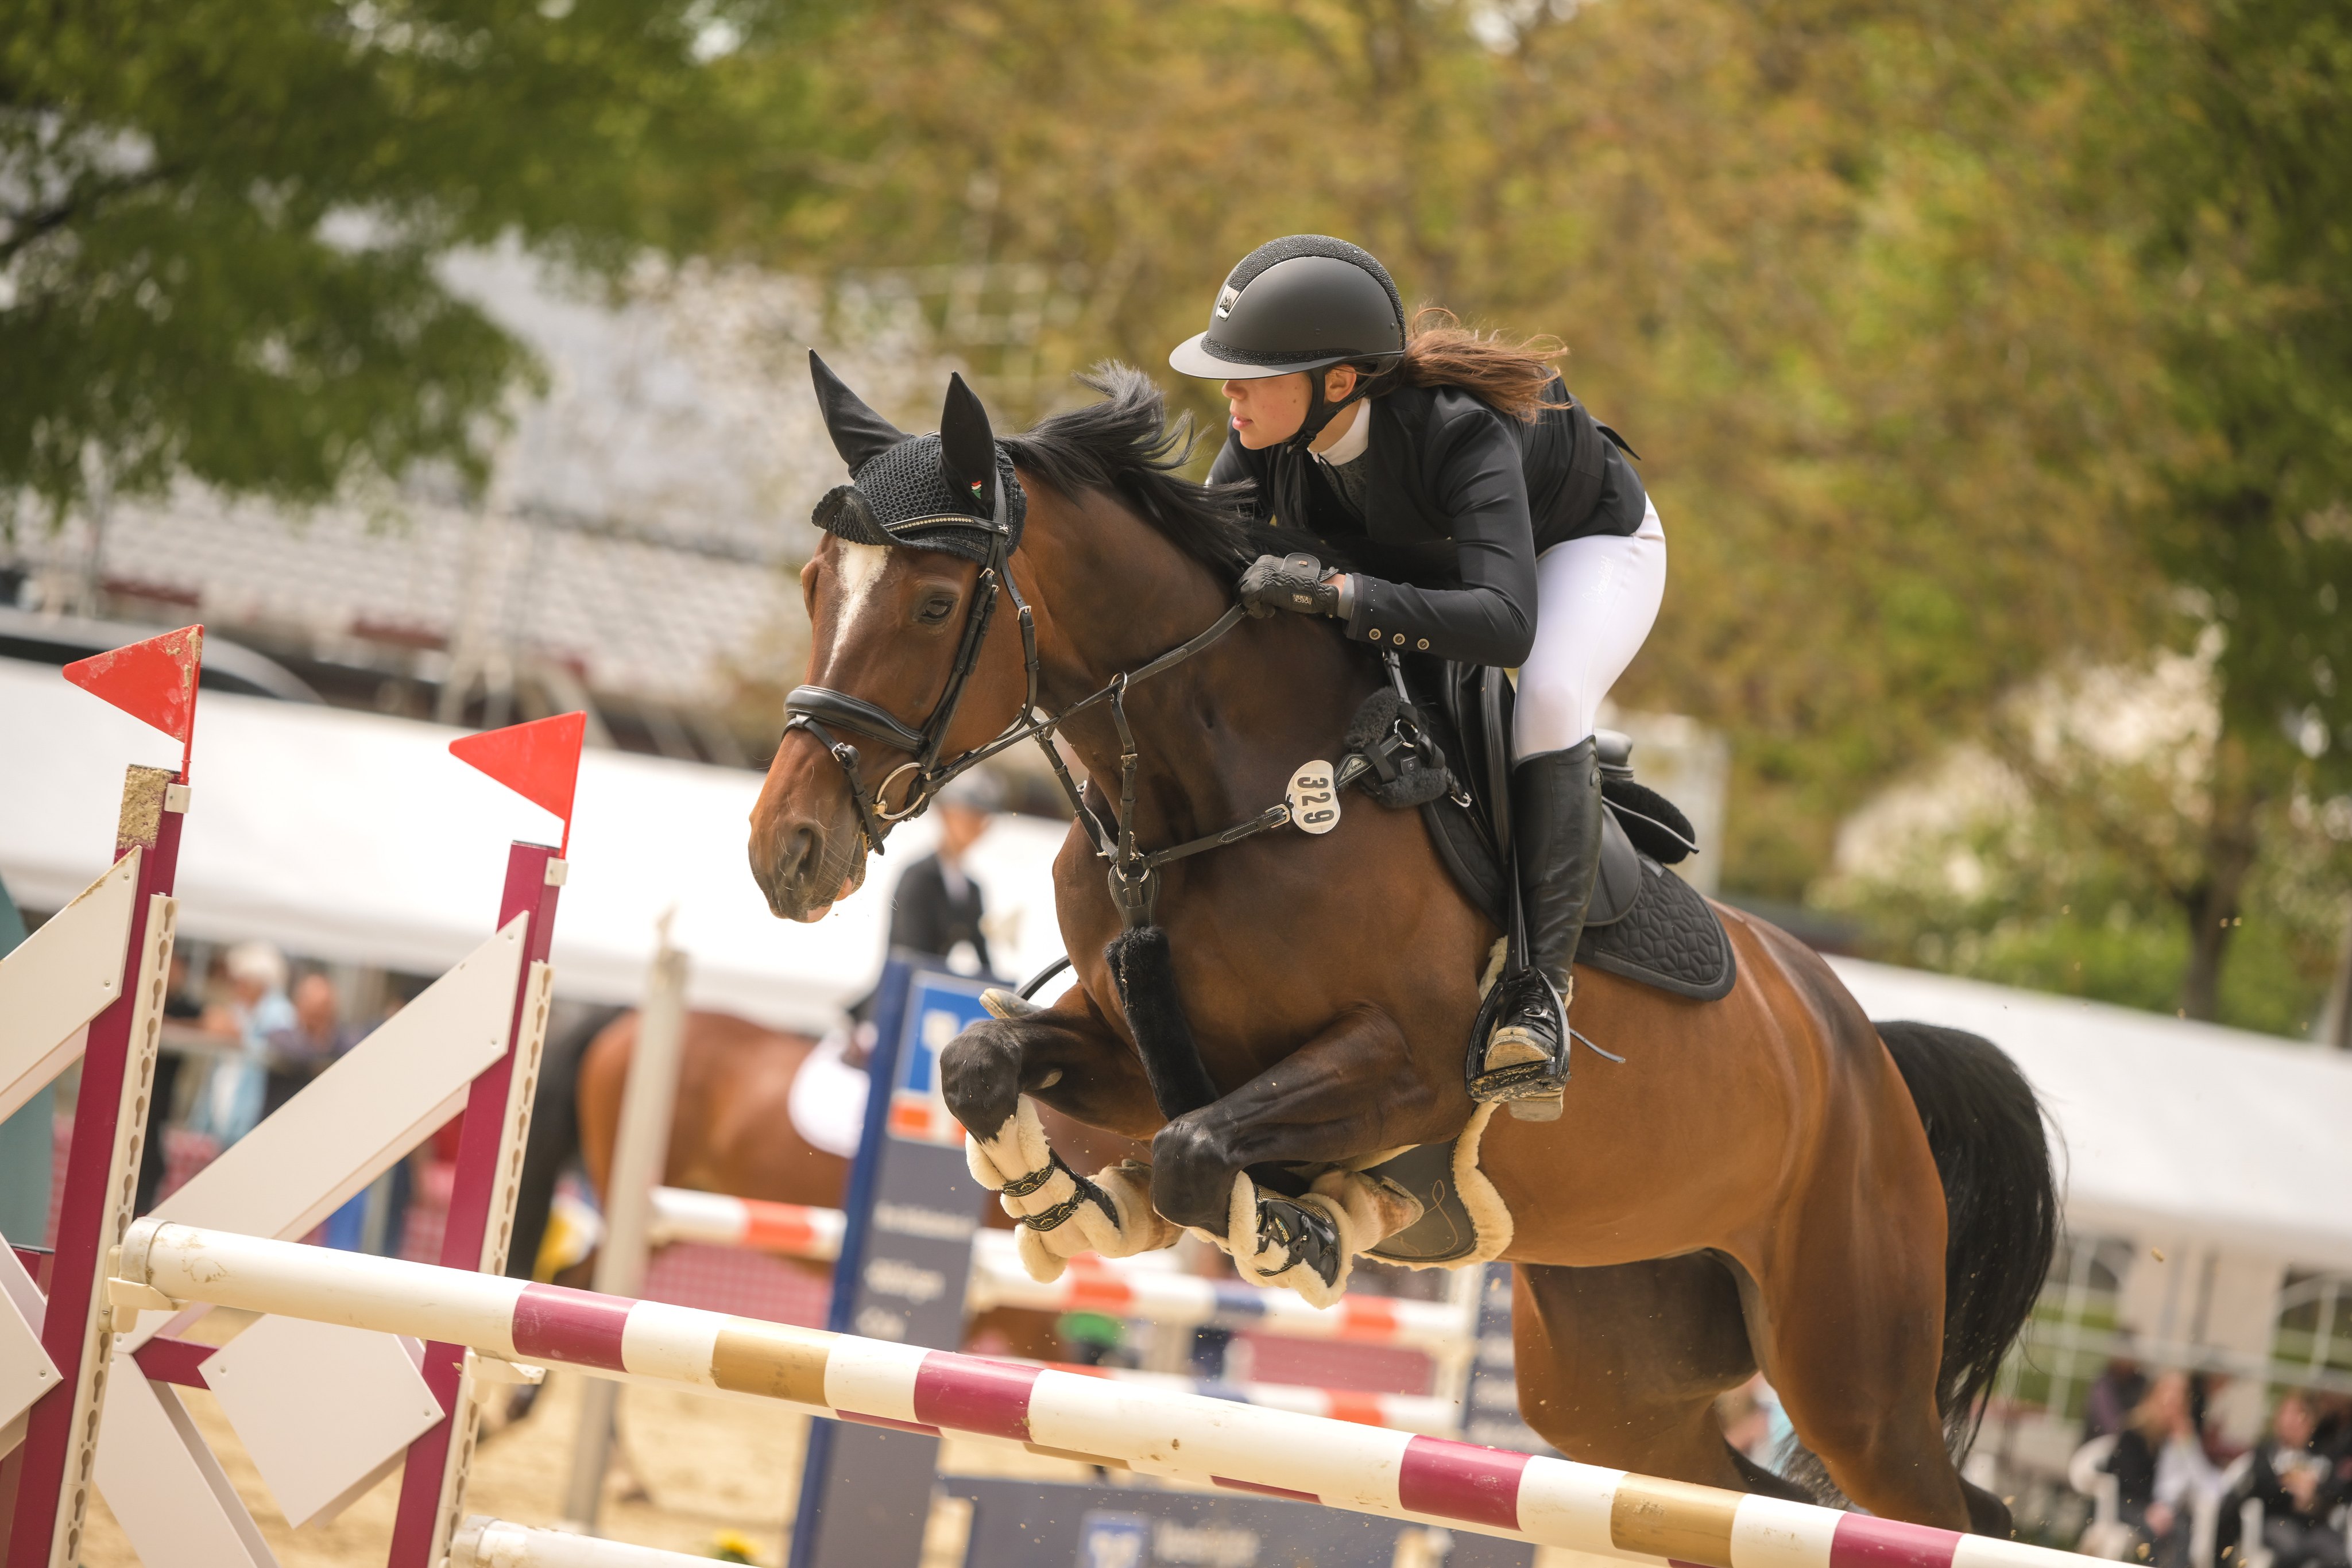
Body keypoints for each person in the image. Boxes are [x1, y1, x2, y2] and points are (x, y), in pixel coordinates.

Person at [1168, 234, 1664, 1106]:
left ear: (1340, 382)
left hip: (1581, 548)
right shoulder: (1263, 441)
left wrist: (1339, 593)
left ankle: (1537, 994)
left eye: (1251, 372)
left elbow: (1507, 624)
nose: (1228, 391)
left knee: (1546, 696)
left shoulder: (1458, 432)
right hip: (1448, 565)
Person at [886, 768, 1001, 977]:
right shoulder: (917, 877)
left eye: (981, 818)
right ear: (946, 815)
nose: (976, 826)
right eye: (969, 815)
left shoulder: (973, 890)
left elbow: (984, 961)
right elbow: (907, 950)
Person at [2105, 1370, 2223, 1568]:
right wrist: (2151, 1508)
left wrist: (2187, 1444)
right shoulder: (2135, 1431)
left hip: (2161, 1507)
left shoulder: (2178, 1437)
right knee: (2156, 1530)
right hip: (2127, 1502)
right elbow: (2128, 1479)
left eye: (2179, 1397)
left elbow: (2202, 1481)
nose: (2173, 1403)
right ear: (2154, 1397)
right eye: (2168, 1396)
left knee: (2183, 1529)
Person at [2235, 1392, 2350, 1568]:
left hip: (2315, 1527)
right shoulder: (2268, 1452)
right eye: (2288, 1415)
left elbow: (2337, 1491)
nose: (2294, 1423)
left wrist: (2313, 1496)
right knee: (2290, 1548)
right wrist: (2290, 1489)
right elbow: (2260, 1485)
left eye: (2300, 1417)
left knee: (2336, 1554)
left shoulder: (2321, 1455)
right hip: (2276, 1520)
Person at [262, 972, 355, 1119]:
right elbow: (295, 1055)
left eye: (322, 1009)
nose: (317, 1016)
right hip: (282, 1119)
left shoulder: (344, 1044)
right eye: (312, 1010)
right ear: (299, 1006)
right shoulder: (281, 1039)